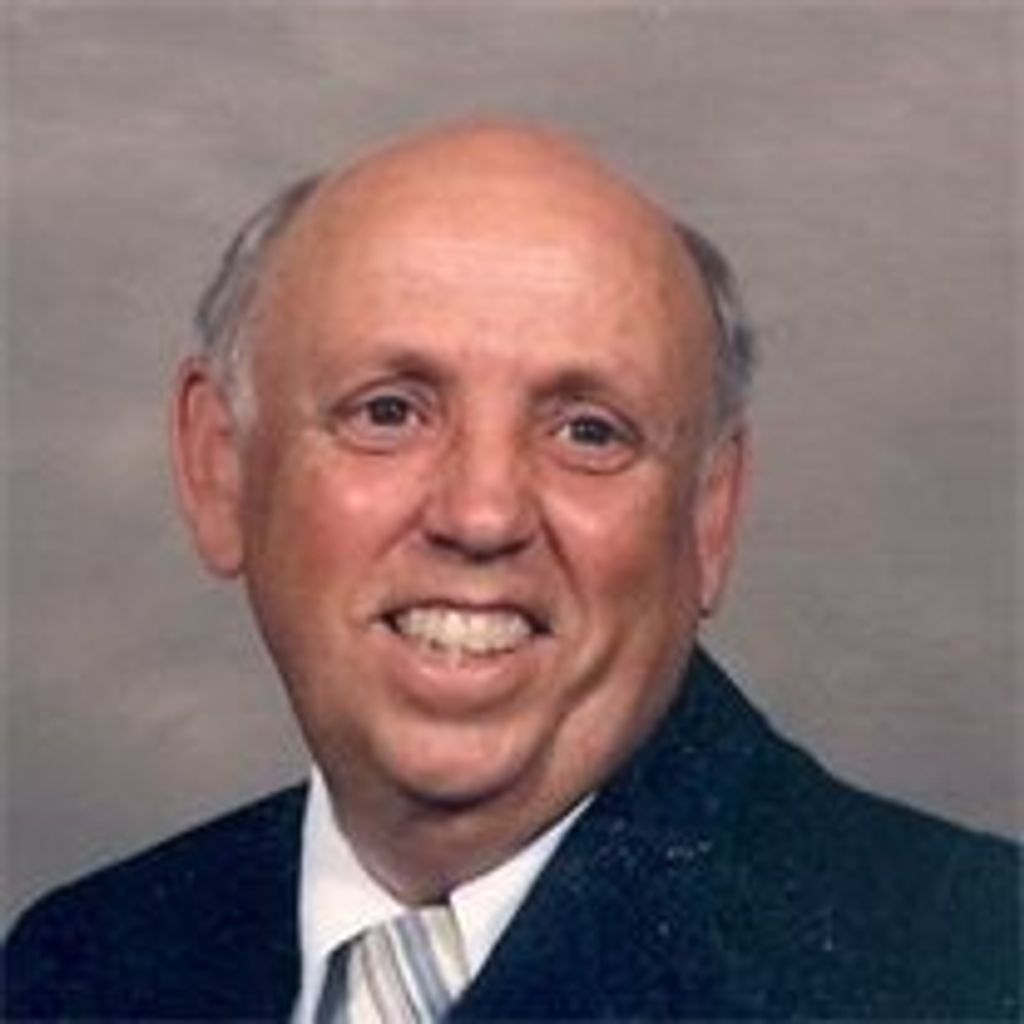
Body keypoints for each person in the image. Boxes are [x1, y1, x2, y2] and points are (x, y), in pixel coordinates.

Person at [4, 118, 1019, 1022]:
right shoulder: (79, 967)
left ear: (708, 516)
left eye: (588, 431)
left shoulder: (969, 970)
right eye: (388, 412)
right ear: (220, 468)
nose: (481, 514)